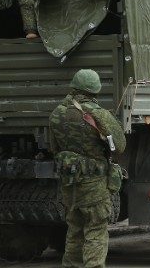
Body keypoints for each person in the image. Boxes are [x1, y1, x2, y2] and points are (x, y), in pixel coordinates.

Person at [49, 69, 126, 268]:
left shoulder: (57, 113)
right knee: (95, 231)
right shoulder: (98, 114)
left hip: (70, 184)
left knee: (74, 229)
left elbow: (54, 148)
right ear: (96, 90)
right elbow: (120, 146)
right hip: (95, 184)